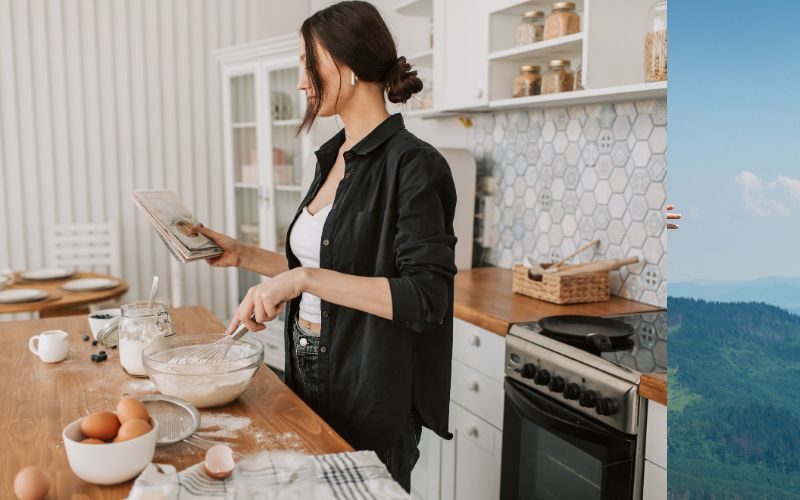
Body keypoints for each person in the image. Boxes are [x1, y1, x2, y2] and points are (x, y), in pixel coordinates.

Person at [197, 1, 457, 491]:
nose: (301, 82)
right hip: (306, 363)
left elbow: (426, 298)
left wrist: (302, 279)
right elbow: (329, 264)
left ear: (348, 64)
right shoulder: (333, 156)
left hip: (369, 380)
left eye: (307, 63)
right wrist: (242, 254)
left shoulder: (415, 166)